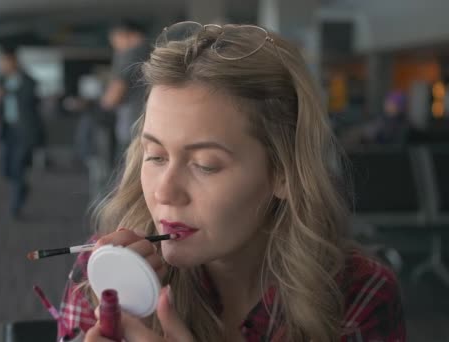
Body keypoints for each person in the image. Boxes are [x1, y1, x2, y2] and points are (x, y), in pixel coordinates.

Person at [58, 22, 406, 341]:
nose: (164, 191)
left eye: (205, 165)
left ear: (284, 173)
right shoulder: (105, 272)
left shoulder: (356, 294)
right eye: (156, 156)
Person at [0, 47, 44, 219]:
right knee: (7, 169)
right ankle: (22, 187)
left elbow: (30, 101)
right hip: (8, 129)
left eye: (5, 62)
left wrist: (8, 93)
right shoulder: (1, 81)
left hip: (24, 130)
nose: (2, 66)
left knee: (18, 166)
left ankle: (15, 206)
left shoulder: (28, 81)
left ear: (14, 63)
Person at [101, 20, 151, 163]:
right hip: (152, 122)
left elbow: (113, 96)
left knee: (126, 176)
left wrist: (103, 104)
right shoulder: (155, 51)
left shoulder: (129, 54)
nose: (115, 46)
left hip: (132, 124)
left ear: (128, 35)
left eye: (115, 40)